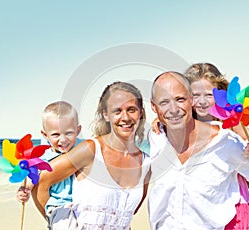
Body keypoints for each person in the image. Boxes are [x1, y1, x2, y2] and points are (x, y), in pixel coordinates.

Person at [151, 63, 249, 229]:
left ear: (220, 95)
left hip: (233, 197)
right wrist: (159, 118)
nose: (202, 102)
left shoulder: (227, 124)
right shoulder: (176, 121)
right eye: (195, 95)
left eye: (209, 95)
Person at [33, 81, 151, 230]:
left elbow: (127, 214)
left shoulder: (146, 163)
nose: (125, 117)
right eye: (117, 111)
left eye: (131, 109)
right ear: (106, 115)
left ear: (140, 113)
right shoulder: (90, 150)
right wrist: (57, 222)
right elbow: (41, 182)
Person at [17, 101, 82, 229]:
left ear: (78, 130)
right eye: (56, 134)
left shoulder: (83, 149)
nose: (63, 139)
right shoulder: (43, 158)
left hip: (82, 204)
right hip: (59, 206)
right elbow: (33, 178)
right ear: (45, 135)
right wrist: (24, 190)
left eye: (69, 133)